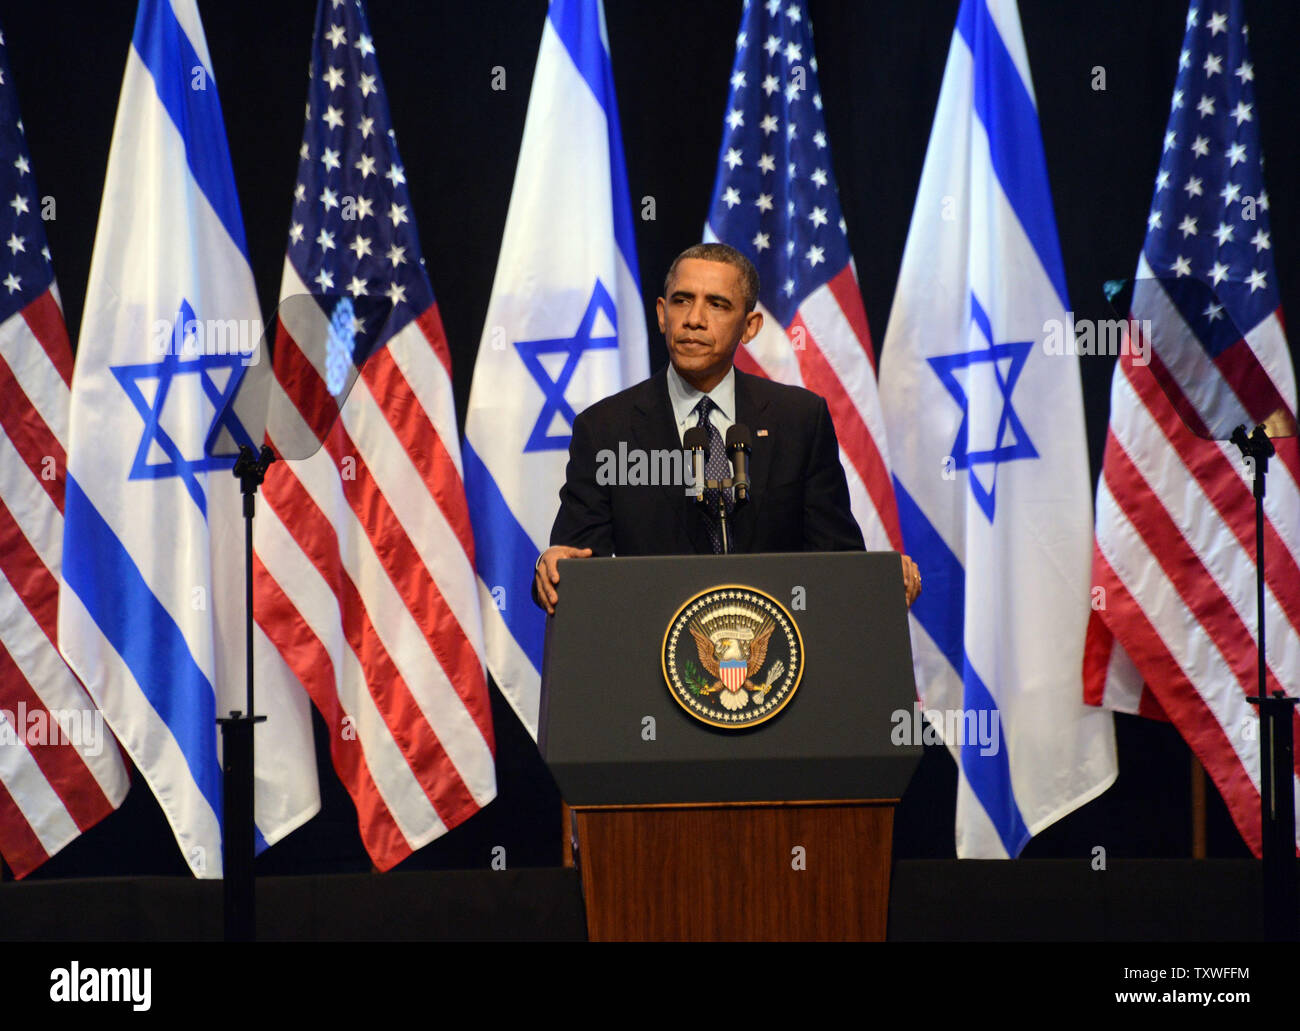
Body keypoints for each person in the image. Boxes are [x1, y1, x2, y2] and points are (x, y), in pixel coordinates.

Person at [533, 242, 921, 612]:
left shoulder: (799, 419)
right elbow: (576, 569)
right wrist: (552, 567)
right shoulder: (605, 429)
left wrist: (879, 578)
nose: (695, 319)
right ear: (661, 314)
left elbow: (837, 559)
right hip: (652, 656)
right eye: (682, 300)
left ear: (749, 327)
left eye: (717, 305)